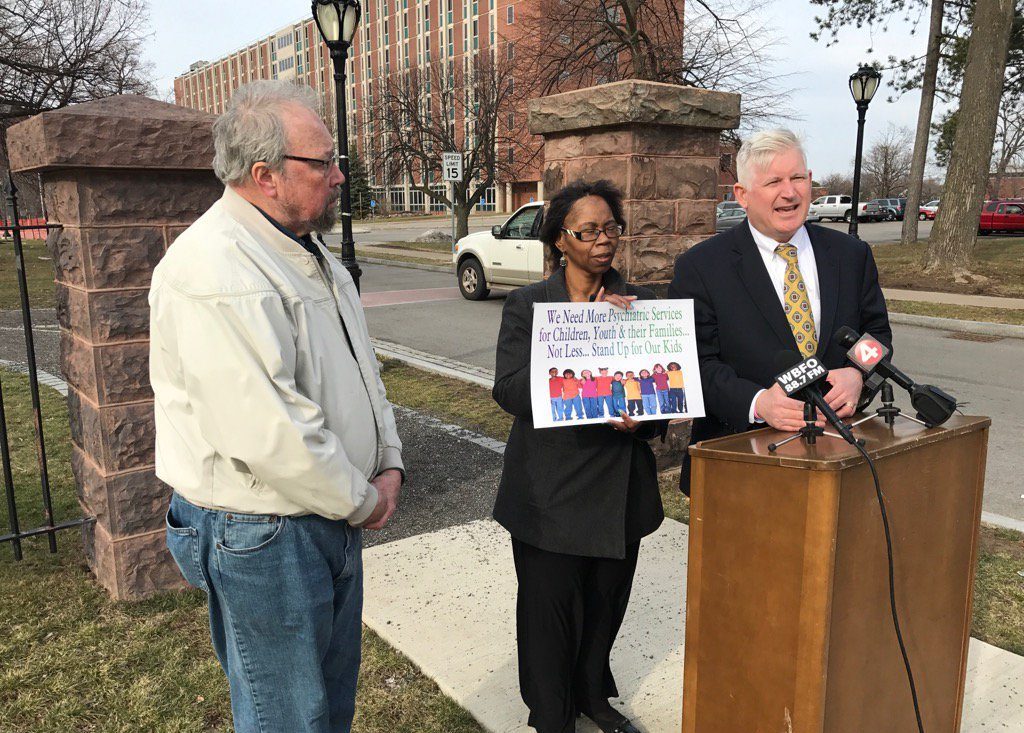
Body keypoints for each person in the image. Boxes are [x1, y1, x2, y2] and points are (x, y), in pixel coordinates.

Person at [149, 81, 405, 733]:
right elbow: (268, 432)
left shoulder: (307, 253)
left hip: (323, 514)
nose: (339, 175)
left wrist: (390, 460)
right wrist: (364, 499)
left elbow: (358, 368)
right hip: (266, 531)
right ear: (264, 175)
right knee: (288, 717)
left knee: (328, 706)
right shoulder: (219, 269)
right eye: (322, 162)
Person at [492, 180, 665, 733]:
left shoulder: (641, 306)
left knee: (604, 606)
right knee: (548, 615)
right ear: (559, 240)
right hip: (550, 489)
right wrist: (585, 336)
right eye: (586, 231)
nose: (602, 240)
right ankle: (550, 714)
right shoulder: (529, 305)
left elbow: (662, 402)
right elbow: (510, 390)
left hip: (618, 488)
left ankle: (593, 696)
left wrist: (648, 416)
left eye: (610, 228)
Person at [668, 129, 891, 494]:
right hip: (740, 461)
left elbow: (876, 336)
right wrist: (758, 403)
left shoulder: (850, 255)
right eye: (774, 181)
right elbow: (694, 364)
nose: (790, 192)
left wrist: (857, 372)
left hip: (839, 457)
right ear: (741, 195)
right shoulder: (702, 267)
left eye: (798, 178)